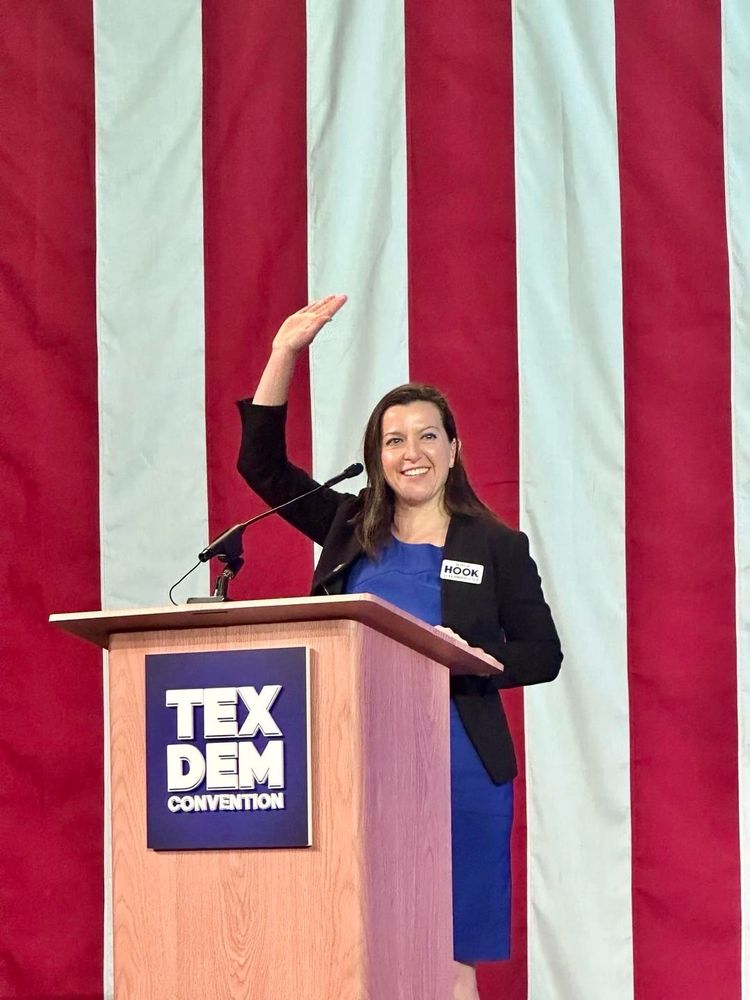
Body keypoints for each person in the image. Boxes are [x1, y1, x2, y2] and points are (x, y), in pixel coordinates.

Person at [237, 295, 562, 1000]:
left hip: (461, 766)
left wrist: (467, 652)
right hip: (355, 762)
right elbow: (261, 467)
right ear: (376, 458)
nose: (410, 453)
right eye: (393, 440)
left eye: (426, 437)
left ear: (453, 451)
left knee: (448, 960)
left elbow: (544, 653)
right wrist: (283, 354)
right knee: (358, 943)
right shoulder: (348, 527)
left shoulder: (496, 546)